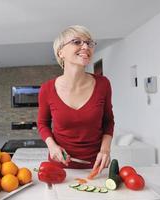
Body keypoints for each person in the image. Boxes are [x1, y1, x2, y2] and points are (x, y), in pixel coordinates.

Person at [37, 25, 114, 172]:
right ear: (61, 52)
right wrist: (52, 146)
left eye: (89, 43)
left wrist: (105, 150)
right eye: (77, 42)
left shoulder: (103, 84)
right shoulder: (47, 89)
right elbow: (42, 123)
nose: (85, 46)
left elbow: (108, 121)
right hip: (59, 167)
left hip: (96, 167)